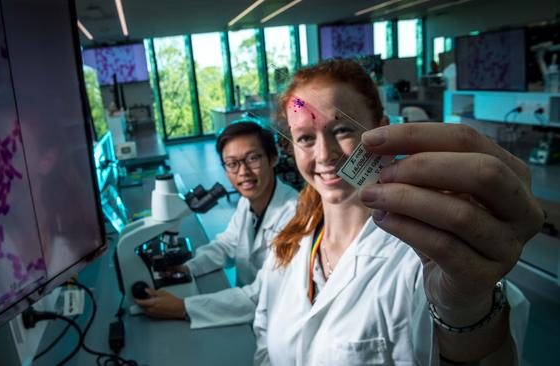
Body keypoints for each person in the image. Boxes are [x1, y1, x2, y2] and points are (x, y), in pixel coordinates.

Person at [253, 60, 543, 365]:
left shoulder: (423, 252)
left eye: (341, 129)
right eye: (305, 138)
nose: (324, 155)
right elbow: (264, 336)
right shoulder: (290, 234)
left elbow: (483, 352)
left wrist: (466, 311)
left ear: (382, 128)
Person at [135, 121, 299, 328]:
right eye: (232, 163)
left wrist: (182, 307)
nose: (243, 172)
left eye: (253, 158)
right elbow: (227, 245)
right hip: (251, 316)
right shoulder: (247, 201)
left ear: (273, 158)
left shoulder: (295, 216)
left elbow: (264, 294)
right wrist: (186, 267)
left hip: (279, 324)